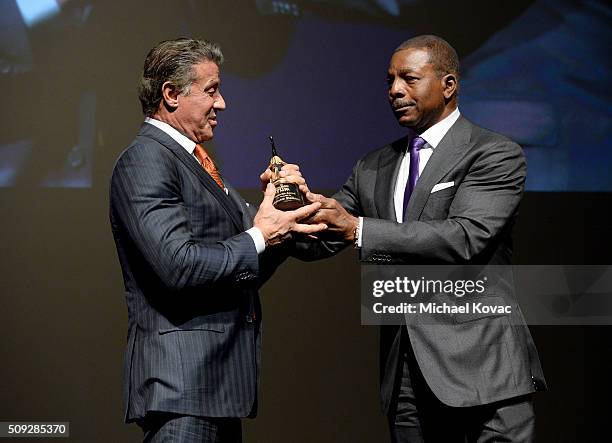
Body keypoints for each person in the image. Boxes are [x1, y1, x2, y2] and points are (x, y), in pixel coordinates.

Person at [305, 35, 547, 442]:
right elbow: (324, 236)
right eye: (390, 81)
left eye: (409, 79)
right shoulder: (373, 166)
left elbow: (467, 236)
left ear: (449, 85)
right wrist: (291, 200)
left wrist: (359, 229)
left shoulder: (492, 152)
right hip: (405, 375)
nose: (395, 90)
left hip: (482, 369)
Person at [109, 38, 325, 442]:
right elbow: (180, 265)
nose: (221, 103)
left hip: (216, 390)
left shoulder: (197, 163)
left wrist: (279, 213)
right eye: (211, 91)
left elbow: (244, 263)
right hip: (183, 391)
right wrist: (262, 232)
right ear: (171, 95)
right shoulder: (146, 159)